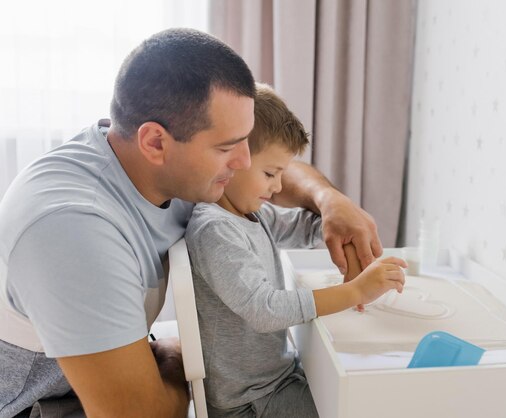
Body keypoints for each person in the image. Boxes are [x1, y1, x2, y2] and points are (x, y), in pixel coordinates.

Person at [0, 29, 383, 418]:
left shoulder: (161, 165)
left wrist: (330, 200)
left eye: (245, 142)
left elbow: (271, 170)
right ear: (155, 142)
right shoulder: (74, 230)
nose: (244, 164)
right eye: (225, 148)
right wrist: (178, 353)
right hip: (35, 405)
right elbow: (139, 414)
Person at [185, 83, 406, 418]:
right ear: (233, 161)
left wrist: (341, 225)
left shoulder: (247, 214)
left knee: (355, 384)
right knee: (360, 405)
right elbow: (265, 310)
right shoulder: (216, 230)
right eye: (270, 173)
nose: (277, 187)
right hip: (249, 402)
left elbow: (299, 227)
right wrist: (355, 290)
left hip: (271, 380)